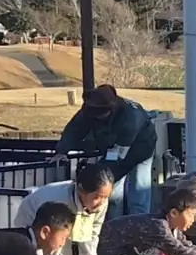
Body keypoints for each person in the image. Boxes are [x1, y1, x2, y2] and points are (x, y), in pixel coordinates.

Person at [57, 86, 157, 219]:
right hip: (113, 147)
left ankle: (138, 224)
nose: (98, 118)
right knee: (112, 195)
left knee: (138, 192)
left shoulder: (130, 118)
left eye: (101, 115)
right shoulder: (90, 109)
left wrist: (101, 176)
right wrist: (62, 150)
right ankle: (114, 225)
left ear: (110, 110)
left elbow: (117, 159)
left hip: (141, 147)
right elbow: (74, 129)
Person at [13, 163, 116, 255]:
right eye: (97, 197)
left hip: (60, 230)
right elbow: (50, 247)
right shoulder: (58, 201)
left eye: (106, 197)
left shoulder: (100, 203)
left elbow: (92, 230)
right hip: (35, 228)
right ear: (81, 190)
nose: (102, 202)